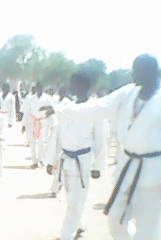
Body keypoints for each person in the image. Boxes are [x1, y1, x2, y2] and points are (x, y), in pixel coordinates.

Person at [42, 54, 161, 240]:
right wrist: (60, 110)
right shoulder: (128, 92)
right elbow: (97, 108)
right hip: (126, 166)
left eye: (136, 69)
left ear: (150, 71)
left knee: (147, 229)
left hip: (154, 171)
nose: (132, 73)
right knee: (115, 219)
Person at [45, 72, 106, 240]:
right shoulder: (67, 107)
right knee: (71, 198)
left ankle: (66, 235)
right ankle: (80, 224)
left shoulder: (95, 109)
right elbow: (57, 134)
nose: (71, 87)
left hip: (83, 161)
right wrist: (51, 161)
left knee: (75, 202)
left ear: (84, 86)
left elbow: (100, 140)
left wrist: (98, 166)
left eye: (74, 84)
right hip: (66, 159)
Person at [48, 86, 72, 198]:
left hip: (70, 146)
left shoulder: (68, 103)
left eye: (64, 91)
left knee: (66, 170)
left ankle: (59, 186)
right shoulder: (55, 101)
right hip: (59, 142)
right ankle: (56, 187)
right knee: (58, 167)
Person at [23, 82, 53, 168]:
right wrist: (24, 124)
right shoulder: (31, 98)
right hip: (33, 122)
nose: (39, 89)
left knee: (42, 143)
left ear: (43, 88)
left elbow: (52, 109)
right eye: (38, 88)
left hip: (43, 122)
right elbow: (27, 111)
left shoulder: (47, 98)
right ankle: (34, 161)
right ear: (36, 89)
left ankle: (41, 160)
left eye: (41, 88)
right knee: (32, 143)